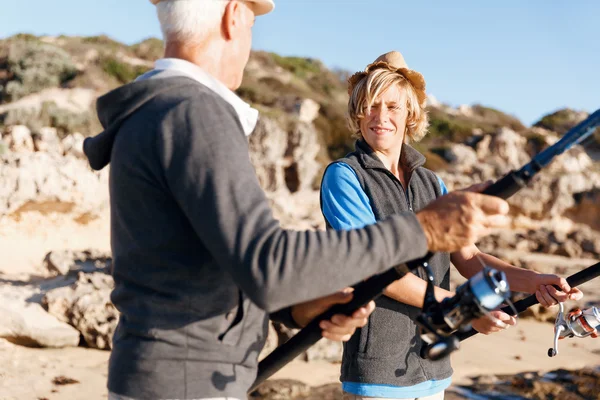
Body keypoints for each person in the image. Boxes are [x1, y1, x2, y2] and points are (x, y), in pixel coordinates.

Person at [83, 1, 513, 399]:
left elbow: (229, 260)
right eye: (252, 23)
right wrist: (426, 230)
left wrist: (303, 308)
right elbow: (270, 261)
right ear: (234, 17)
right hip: (184, 381)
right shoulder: (194, 112)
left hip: (177, 374)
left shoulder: (162, 111)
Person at [320, 50, 584, 400]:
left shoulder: (432, 183)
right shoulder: (344, 176)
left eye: (393, 106)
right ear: (357, 111)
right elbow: (374, 270)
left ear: (410, 113)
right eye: (370, 105)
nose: (380, 116)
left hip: (433, 370)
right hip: (378, 372)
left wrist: (533, 281)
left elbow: (468, 256)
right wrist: (465, 310)